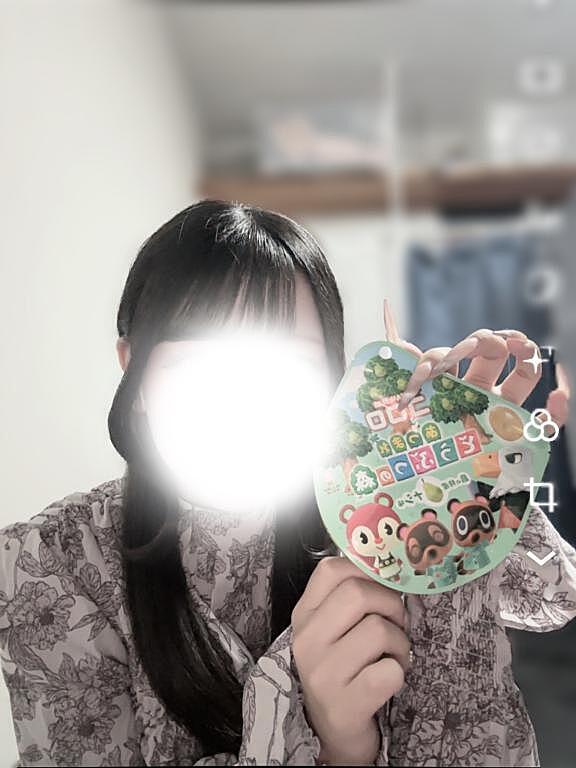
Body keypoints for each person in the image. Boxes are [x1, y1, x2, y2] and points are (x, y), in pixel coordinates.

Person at [0, 200, 573, 767]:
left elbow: (550, 597)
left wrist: (463, 477)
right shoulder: (50, 561)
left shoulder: (377, 507)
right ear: (133, 367)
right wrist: (327, 738)